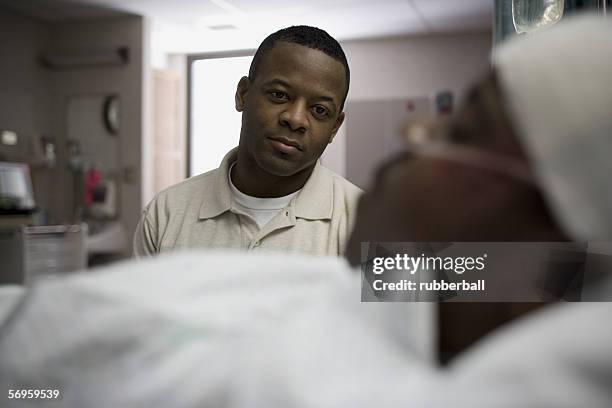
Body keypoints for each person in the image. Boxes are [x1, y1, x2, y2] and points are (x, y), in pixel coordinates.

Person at [133, 26, 361, 257]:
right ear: (243, 94)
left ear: (334, 127)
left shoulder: (376, 224)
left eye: (319, 110)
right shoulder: (165, 213)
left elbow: (390, 296)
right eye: (279, 95)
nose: (295, 119)